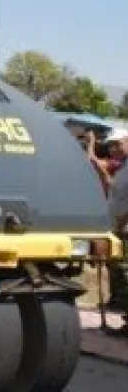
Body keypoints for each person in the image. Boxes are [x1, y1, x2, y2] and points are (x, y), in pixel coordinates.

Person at [105, 130, 128, 333]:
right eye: (111, 145)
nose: (113, 149)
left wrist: (123, 220)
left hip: (125, 227)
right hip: (118, 227)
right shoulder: (122, 168)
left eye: (118, 144)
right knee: (118, 271)